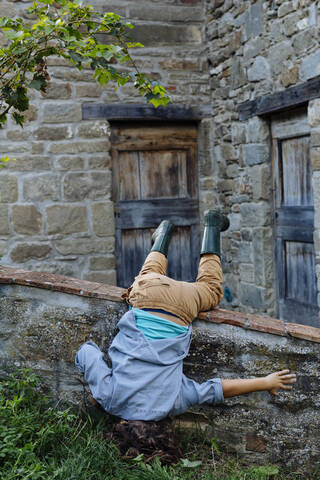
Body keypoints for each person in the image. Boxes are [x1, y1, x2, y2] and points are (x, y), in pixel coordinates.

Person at [75, 210, 296, 460]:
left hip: (182, 307)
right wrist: (97, 390)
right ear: (121, 429)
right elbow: (86, 351)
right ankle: (163, 236)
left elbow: (217, 390)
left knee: (211, 289)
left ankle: (212, 227)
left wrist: (265, 382)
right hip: (147, 296)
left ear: (162, 433)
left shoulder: (173, 404)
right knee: (149, 272)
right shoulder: (110, 398)